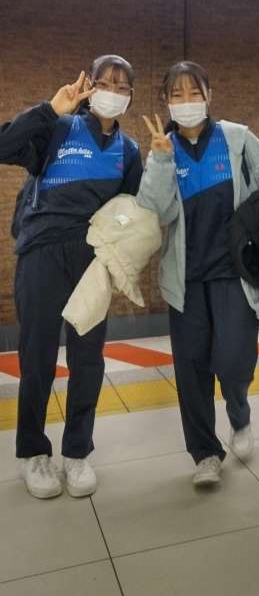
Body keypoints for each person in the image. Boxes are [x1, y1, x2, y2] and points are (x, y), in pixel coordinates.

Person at [137, 60, 259, 487]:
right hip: (186, 279)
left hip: (233, 273)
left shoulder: (236, 138)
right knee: (192, 369)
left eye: (194, 93)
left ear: (208, 95)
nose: (186, 102)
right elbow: (156, 210)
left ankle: (239, 411)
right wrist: (160, 162)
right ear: (166, 101)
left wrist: (258, 216)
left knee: (235, 360)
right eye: (177, 95)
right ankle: (205, 453)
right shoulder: (163, 148)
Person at [0, 55, 142, 499]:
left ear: (130, 96)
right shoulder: (59, 128)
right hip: (42, 253)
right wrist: (49, 109)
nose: (112, 91)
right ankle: (33, 452)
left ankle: (77, 451)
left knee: (87, 359)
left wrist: (114, 254)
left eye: (121, 85)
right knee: (37, 355)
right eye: (104, 82)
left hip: (91, 261)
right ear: (89, 86)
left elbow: (130, 211)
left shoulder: (129, 151)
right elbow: (3, 146)